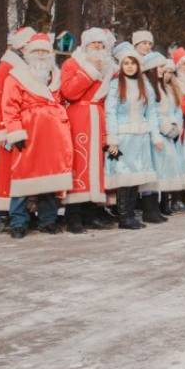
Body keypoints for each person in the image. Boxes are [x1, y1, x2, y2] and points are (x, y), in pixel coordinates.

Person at [0, 33, 75, 238]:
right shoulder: (16, 76)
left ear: (50, 53)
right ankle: (18, 222)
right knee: (23, 176)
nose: (41, 55)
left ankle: (48, 219)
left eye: (44, 51)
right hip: (30, 132)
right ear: (29, 53)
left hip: (54, 135)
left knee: (51, 177)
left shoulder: (56, 76)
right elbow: (9, 106)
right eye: (36, 51)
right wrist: (15, 132)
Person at [59, 27, 116, 229]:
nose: (98, 48)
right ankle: (73, 213)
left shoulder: (110, 68)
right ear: (85, 46)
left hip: (99, 117)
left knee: (97, 165)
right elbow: (68, 92)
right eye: (94, 44)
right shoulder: (72, 64)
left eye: (101, 45)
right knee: (79, 162)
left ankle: (92, 211)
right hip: (79, 117)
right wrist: (90, 72)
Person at [105, 45, 160, 228]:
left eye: (133, 63)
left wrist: (155, 136)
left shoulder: (144, 84)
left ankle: (130, 214)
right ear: (121, 66)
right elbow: (110, 112)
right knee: (123, 175)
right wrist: (112, 138)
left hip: (141, 137)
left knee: (136, 175)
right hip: (123, 136)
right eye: (126, 63)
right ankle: (124, 216)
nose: (129, 66)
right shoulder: (115, 84)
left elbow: (151, 111)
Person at [0, 26, 36, 232]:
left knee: (24, 171)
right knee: (6, 172)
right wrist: (1, 130)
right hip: (10, 130)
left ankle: (24, 210)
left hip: (26, 128)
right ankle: (2, 213)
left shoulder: (29, 66)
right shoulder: (5, 68)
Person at [146, 52, 185, 215]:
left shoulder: (167, 88)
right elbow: (154, 112)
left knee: (168, 168)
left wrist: (176, 127)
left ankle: (165, 203)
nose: (165, 72)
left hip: (171, 132)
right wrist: (166, 128)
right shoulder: (151, 87)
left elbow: (176, 110)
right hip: (160, 132)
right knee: (159, 170)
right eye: (161, 68)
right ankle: (154, 207)